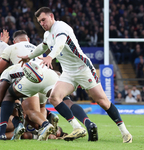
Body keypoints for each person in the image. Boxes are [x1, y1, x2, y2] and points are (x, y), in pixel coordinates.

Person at [18, 7, 132, 143]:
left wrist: (50, 57)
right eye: (39, 22)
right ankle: (77, 127)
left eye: (43, 20)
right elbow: (42, 47)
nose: (42, 23)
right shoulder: (47, 35)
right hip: (68, 72)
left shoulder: (61, 27)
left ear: (51, 16)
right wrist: (29, 57)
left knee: (103, 102)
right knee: (54, 97)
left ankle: (125, 133)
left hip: (83, 68)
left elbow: (60, 45)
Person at [0, 30, 97, 141]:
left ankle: (42, 125)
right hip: (50, 74)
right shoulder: (36, 48)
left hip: (30, 78)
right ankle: (80, 125)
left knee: (22, 105)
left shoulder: (11, 49)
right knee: (62, 101)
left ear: (14, 41)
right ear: (28, 40)